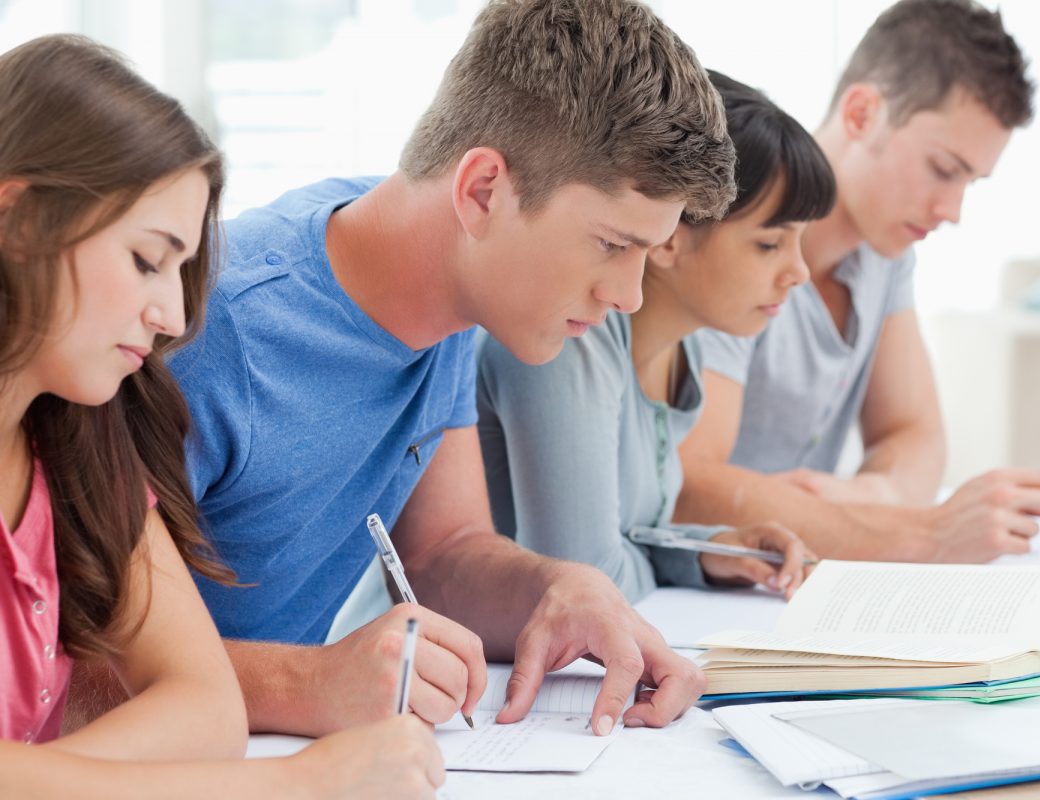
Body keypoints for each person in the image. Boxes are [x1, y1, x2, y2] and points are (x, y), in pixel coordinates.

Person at [75, 0, 735, 741]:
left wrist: (559, 589)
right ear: (482, 190)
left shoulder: (453, 291)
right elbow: (56, 670)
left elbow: (442, 555)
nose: (630, 295)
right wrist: (305, 683)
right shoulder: (202, 330)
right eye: (614, 244)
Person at [0, 35, 443, 799]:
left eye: (182, 269)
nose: (171, 313)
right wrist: (297, 786)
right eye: (146, 259)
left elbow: (206, 706)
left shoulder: (74, 446)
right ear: (21, 219)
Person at [677, 0, 1040, 561]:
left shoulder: (884, 253)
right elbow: (692, 485)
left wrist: (867, 494)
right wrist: (917, 534)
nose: (952, 210)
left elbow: (915, 433)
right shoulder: (740, 234)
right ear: (861, 114)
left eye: (970, 182)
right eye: (944, 170)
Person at [476, 71, 832, 602]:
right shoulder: (570, 336)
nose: (799, 272)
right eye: (769, 244)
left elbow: (627, 540)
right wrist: (676, 555)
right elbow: (589, 582)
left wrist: (712, 550)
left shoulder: (684, 352)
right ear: (669, 235)